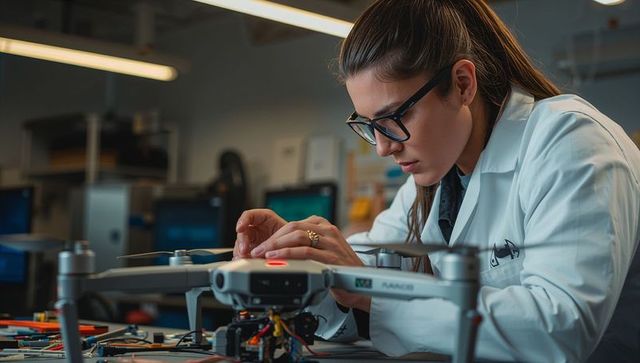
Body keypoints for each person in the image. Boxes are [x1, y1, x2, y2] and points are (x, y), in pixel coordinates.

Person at [233, 0, 640, 361]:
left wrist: (368, 292)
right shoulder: (435, 178)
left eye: (395, 118)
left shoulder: (569, 141)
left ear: (463, 83)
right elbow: (368, 265)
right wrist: (295, 259)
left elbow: (561, 331)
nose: (382, 148)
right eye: (370, 125)